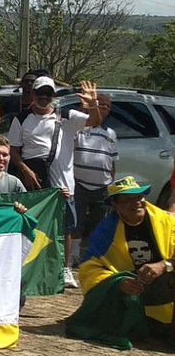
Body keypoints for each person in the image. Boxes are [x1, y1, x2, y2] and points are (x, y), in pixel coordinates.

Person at [9, 77, 102, 288]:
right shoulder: (21, 118)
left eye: (48, 93)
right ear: (32, 94)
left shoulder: (67, 117)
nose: (43, 97)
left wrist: (93, 103)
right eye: (40, 92)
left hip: (62, 181)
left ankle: (65, 268)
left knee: (65, 226)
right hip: (34, 180)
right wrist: (25, 170)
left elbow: (94, 121)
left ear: (54, 96)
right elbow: (14, 149)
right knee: (33, 223)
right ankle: (30, 266)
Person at [70, 176, 175, 348]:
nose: (136, 203)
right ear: (115, 205)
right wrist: (119, 283)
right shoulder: (105, 231)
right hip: (132, 293)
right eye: (127, 200)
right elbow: (89, 268)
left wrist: (165, 265)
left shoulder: (168, 222)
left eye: (139, 198)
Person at [73, 93, 117, 260]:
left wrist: (110, 183)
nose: (104, 109)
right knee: (77, 221)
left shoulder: (111, 133)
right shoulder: (81, 129)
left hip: (102, 186)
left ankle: (93, 257)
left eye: (107, 107)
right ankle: (75, 256)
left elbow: (112, 160)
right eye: (101, 105)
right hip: (80, 183)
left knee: (98, 223)